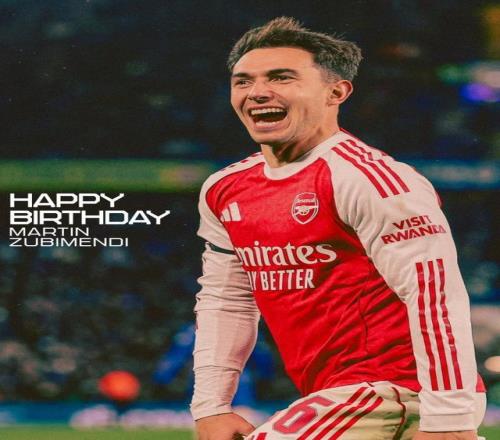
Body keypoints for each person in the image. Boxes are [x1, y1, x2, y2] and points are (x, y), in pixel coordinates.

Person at [190, 17, 486, 440]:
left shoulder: (371, 180)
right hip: (337, 395)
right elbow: (227, 299)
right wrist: (211, 406)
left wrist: (450, 420)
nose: (257, 92)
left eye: (281, 77)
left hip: (404, 390)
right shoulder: (225, 189)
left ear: (337, 92)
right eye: (243, 81)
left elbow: (433, 294)